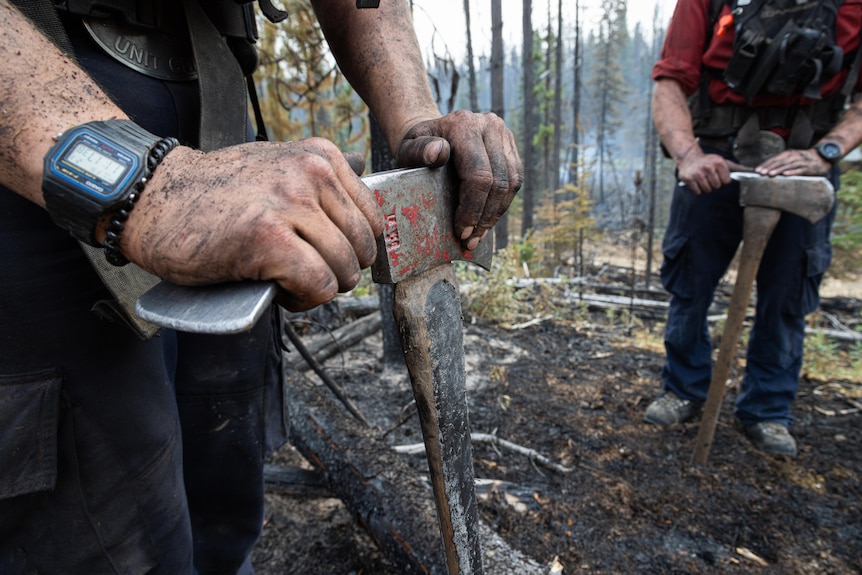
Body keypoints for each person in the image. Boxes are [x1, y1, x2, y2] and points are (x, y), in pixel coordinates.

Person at [0, 1, 522, 573]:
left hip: (220, 104)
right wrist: (142, 180)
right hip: (32, 129)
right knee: (110, 532)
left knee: (224, 502)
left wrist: (416, 121)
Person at [645, 0, 862, 457]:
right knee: (690, 283)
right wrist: (689, 157)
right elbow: (670, 82)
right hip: (717, 160)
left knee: (787, 295)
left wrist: (826, 152)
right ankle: (683, 389)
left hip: (806, 167)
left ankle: (767, 410)